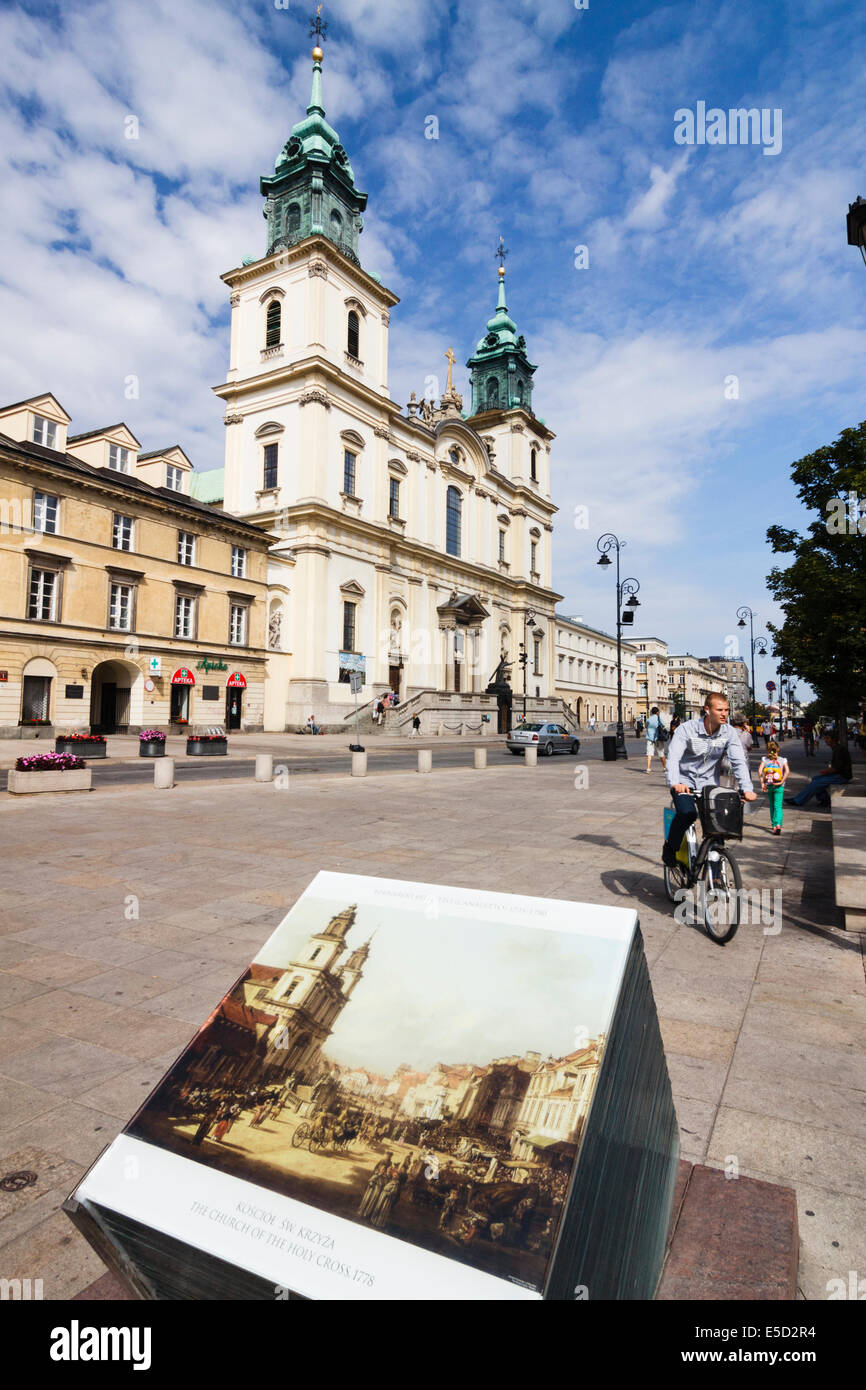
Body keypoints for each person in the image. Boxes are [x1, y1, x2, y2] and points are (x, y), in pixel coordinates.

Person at [662, 693, 757, 867]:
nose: (724, 714)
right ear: (707, 710)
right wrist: (675, 783)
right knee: (687, 813)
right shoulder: (687, 729)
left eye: (726, 710)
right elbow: (673, 758)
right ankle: (670, 846)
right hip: (685, 781)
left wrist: (747, 788)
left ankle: (716, 877)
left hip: (709, 784)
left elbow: (739, 761)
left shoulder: (729, 732)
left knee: (718, 827)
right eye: (719, 709)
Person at [785, 733, 853, 808]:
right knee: (815, 779)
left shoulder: (839, 749)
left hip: (842, 776)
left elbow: (837, 768)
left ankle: (798, 800)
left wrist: (826, 772)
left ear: (833, 740)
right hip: (839, 774)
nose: (825, 740)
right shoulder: (836, 748)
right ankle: (824, 800)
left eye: (827, 738)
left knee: (816, 783)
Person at [758, 739, 789, 835]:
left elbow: (760, 771)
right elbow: (787, 772)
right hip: (779, 786)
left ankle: (774, 825)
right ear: (778, 749)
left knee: (772, 805)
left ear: (768, 750)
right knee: (778, 806)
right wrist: (781, 781)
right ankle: (778, 824)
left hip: (769, 785)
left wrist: (762, 783)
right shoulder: (783, 760)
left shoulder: (765, 759)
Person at [645, 705, 667, 774]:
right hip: (659, 738)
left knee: (649, 753)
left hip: (650, 738)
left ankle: (648, 768)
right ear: (657, 712)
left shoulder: (649, 719)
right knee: (661, 753)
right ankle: (664, 767)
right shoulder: (658, 718)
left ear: (651, 712)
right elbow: (663, 725)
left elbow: (646, 726)